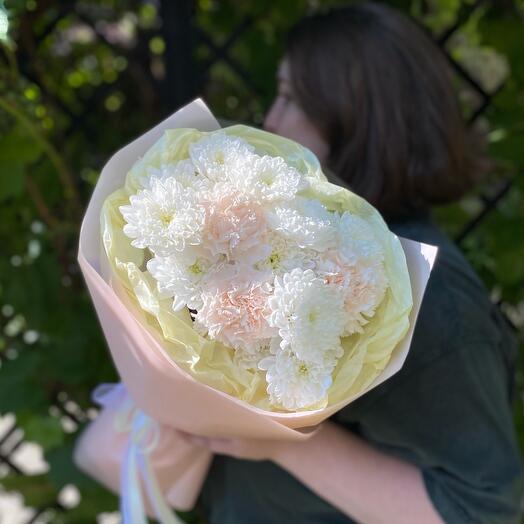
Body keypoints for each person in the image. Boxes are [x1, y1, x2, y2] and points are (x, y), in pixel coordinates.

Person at [187, 3, 524, 523]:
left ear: (359, 119)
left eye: (291, 98)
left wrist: (285, 443)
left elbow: (481, 513)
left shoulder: (429, 296)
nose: (270, 121)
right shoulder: (286, 253)